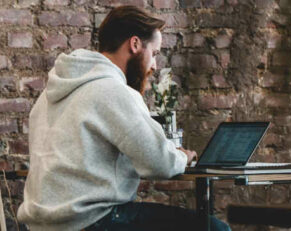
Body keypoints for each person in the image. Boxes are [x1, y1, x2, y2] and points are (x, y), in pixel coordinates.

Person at [17, 5, 231, 231]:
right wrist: (182, 157)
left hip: (39, 225)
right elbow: (159, 162)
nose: (154, 65)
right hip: (91, 221)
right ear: (135, 44)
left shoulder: (48, 96)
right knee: (215, 229)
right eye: (155, 53)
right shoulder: (113, 90)